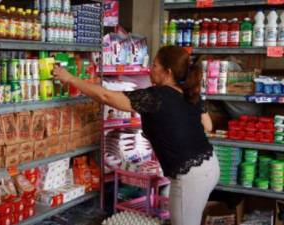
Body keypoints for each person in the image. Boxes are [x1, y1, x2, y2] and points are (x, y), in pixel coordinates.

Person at [53, 46, 219, 225]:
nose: (150, 69)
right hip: (209, 166)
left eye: (154, 65)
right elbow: (208, 125)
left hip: (190, 176)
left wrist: (69, 78)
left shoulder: (156, 96)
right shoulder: (188, 93)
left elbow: (105, 96)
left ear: (167, 72)